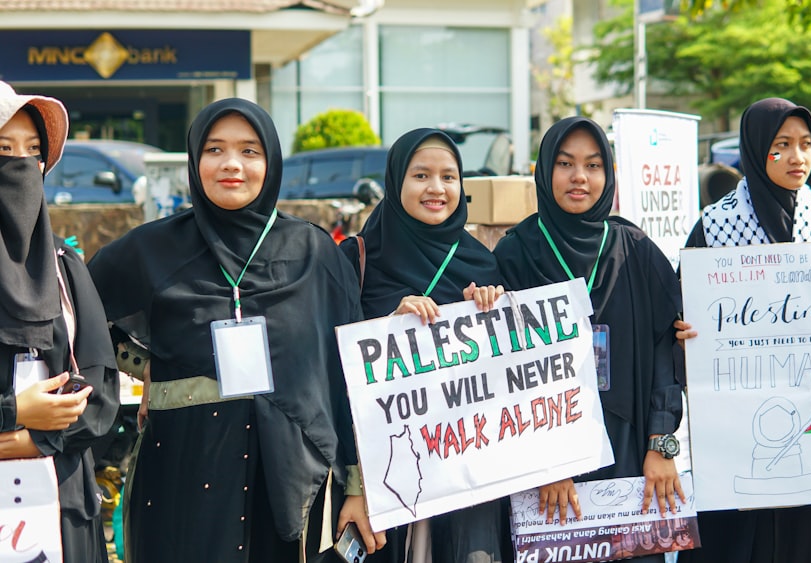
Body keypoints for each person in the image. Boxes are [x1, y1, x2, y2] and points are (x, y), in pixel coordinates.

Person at [87, 98, 382, 562]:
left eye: (249, 151)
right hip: (182, 472)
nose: (231, 165)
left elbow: (351, 379)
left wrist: (359, 487)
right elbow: (85, 323)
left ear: (271, 161)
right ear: (194, 160)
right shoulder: (150, 249)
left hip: (293, 478)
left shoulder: (314, 253)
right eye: (215, 150)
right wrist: (152, 370)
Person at [675, 98, 811, 563]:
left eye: (805, 145)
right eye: (782, 145)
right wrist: (682, 325)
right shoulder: (714, 227)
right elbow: (682, 305)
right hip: (737, 432)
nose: (798, 157)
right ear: (756, 150)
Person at [492, 116, 686, 563]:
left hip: (629, 446)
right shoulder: (514, 253)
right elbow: (500, 377)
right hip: (545, 457)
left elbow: (664, 349)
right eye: (565, 163)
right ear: (544, 171)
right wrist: (548, 461)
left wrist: (661, 442)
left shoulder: (634, 248)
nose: (580, 177)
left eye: (594, 165)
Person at [339, 127, 508, 563]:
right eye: (421, 176)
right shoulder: (358, 259)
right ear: (397, 183)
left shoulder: (482, 264)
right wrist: (387, 327)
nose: (437, 189)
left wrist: (487, 312)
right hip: (385, 473)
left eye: (449, 177)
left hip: (465, 476)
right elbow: (330, 363)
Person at [0, 81, 119, 561]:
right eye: (3, 149)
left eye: (33, 152)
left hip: (61, 514)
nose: (20, 165)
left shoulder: (64, 267)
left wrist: (29, 438)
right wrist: (15, 412)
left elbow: (102, 397)